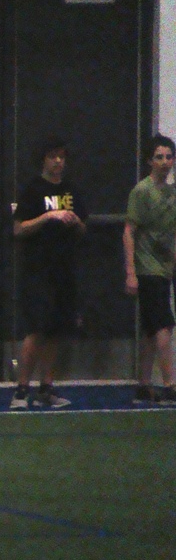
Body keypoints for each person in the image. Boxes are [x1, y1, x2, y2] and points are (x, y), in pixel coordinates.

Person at [10, 138, 88, 409]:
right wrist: (48, 216)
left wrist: (75, 221)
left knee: (55, 330)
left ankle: (47, 387)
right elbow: (18, 229)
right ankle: (21, 390)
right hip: (37, 271)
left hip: (64, 270)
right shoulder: (33, 190)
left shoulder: (72, 190)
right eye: (53, 156)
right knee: (36, 329)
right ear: (43, 159)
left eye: (62, 157)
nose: (58, 162)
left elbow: (83, 228)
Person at [123, 134, 176, 404]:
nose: (164, 162)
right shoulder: (141, 191)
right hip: (148, 268)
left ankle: (144, 384)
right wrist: (131, 272)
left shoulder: (172, 193)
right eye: (159, 157)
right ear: (149, 161)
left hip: (165, 268)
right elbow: (129, 231)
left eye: (169, 157)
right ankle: (170, 383)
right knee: (164, 324)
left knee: (150, 328)